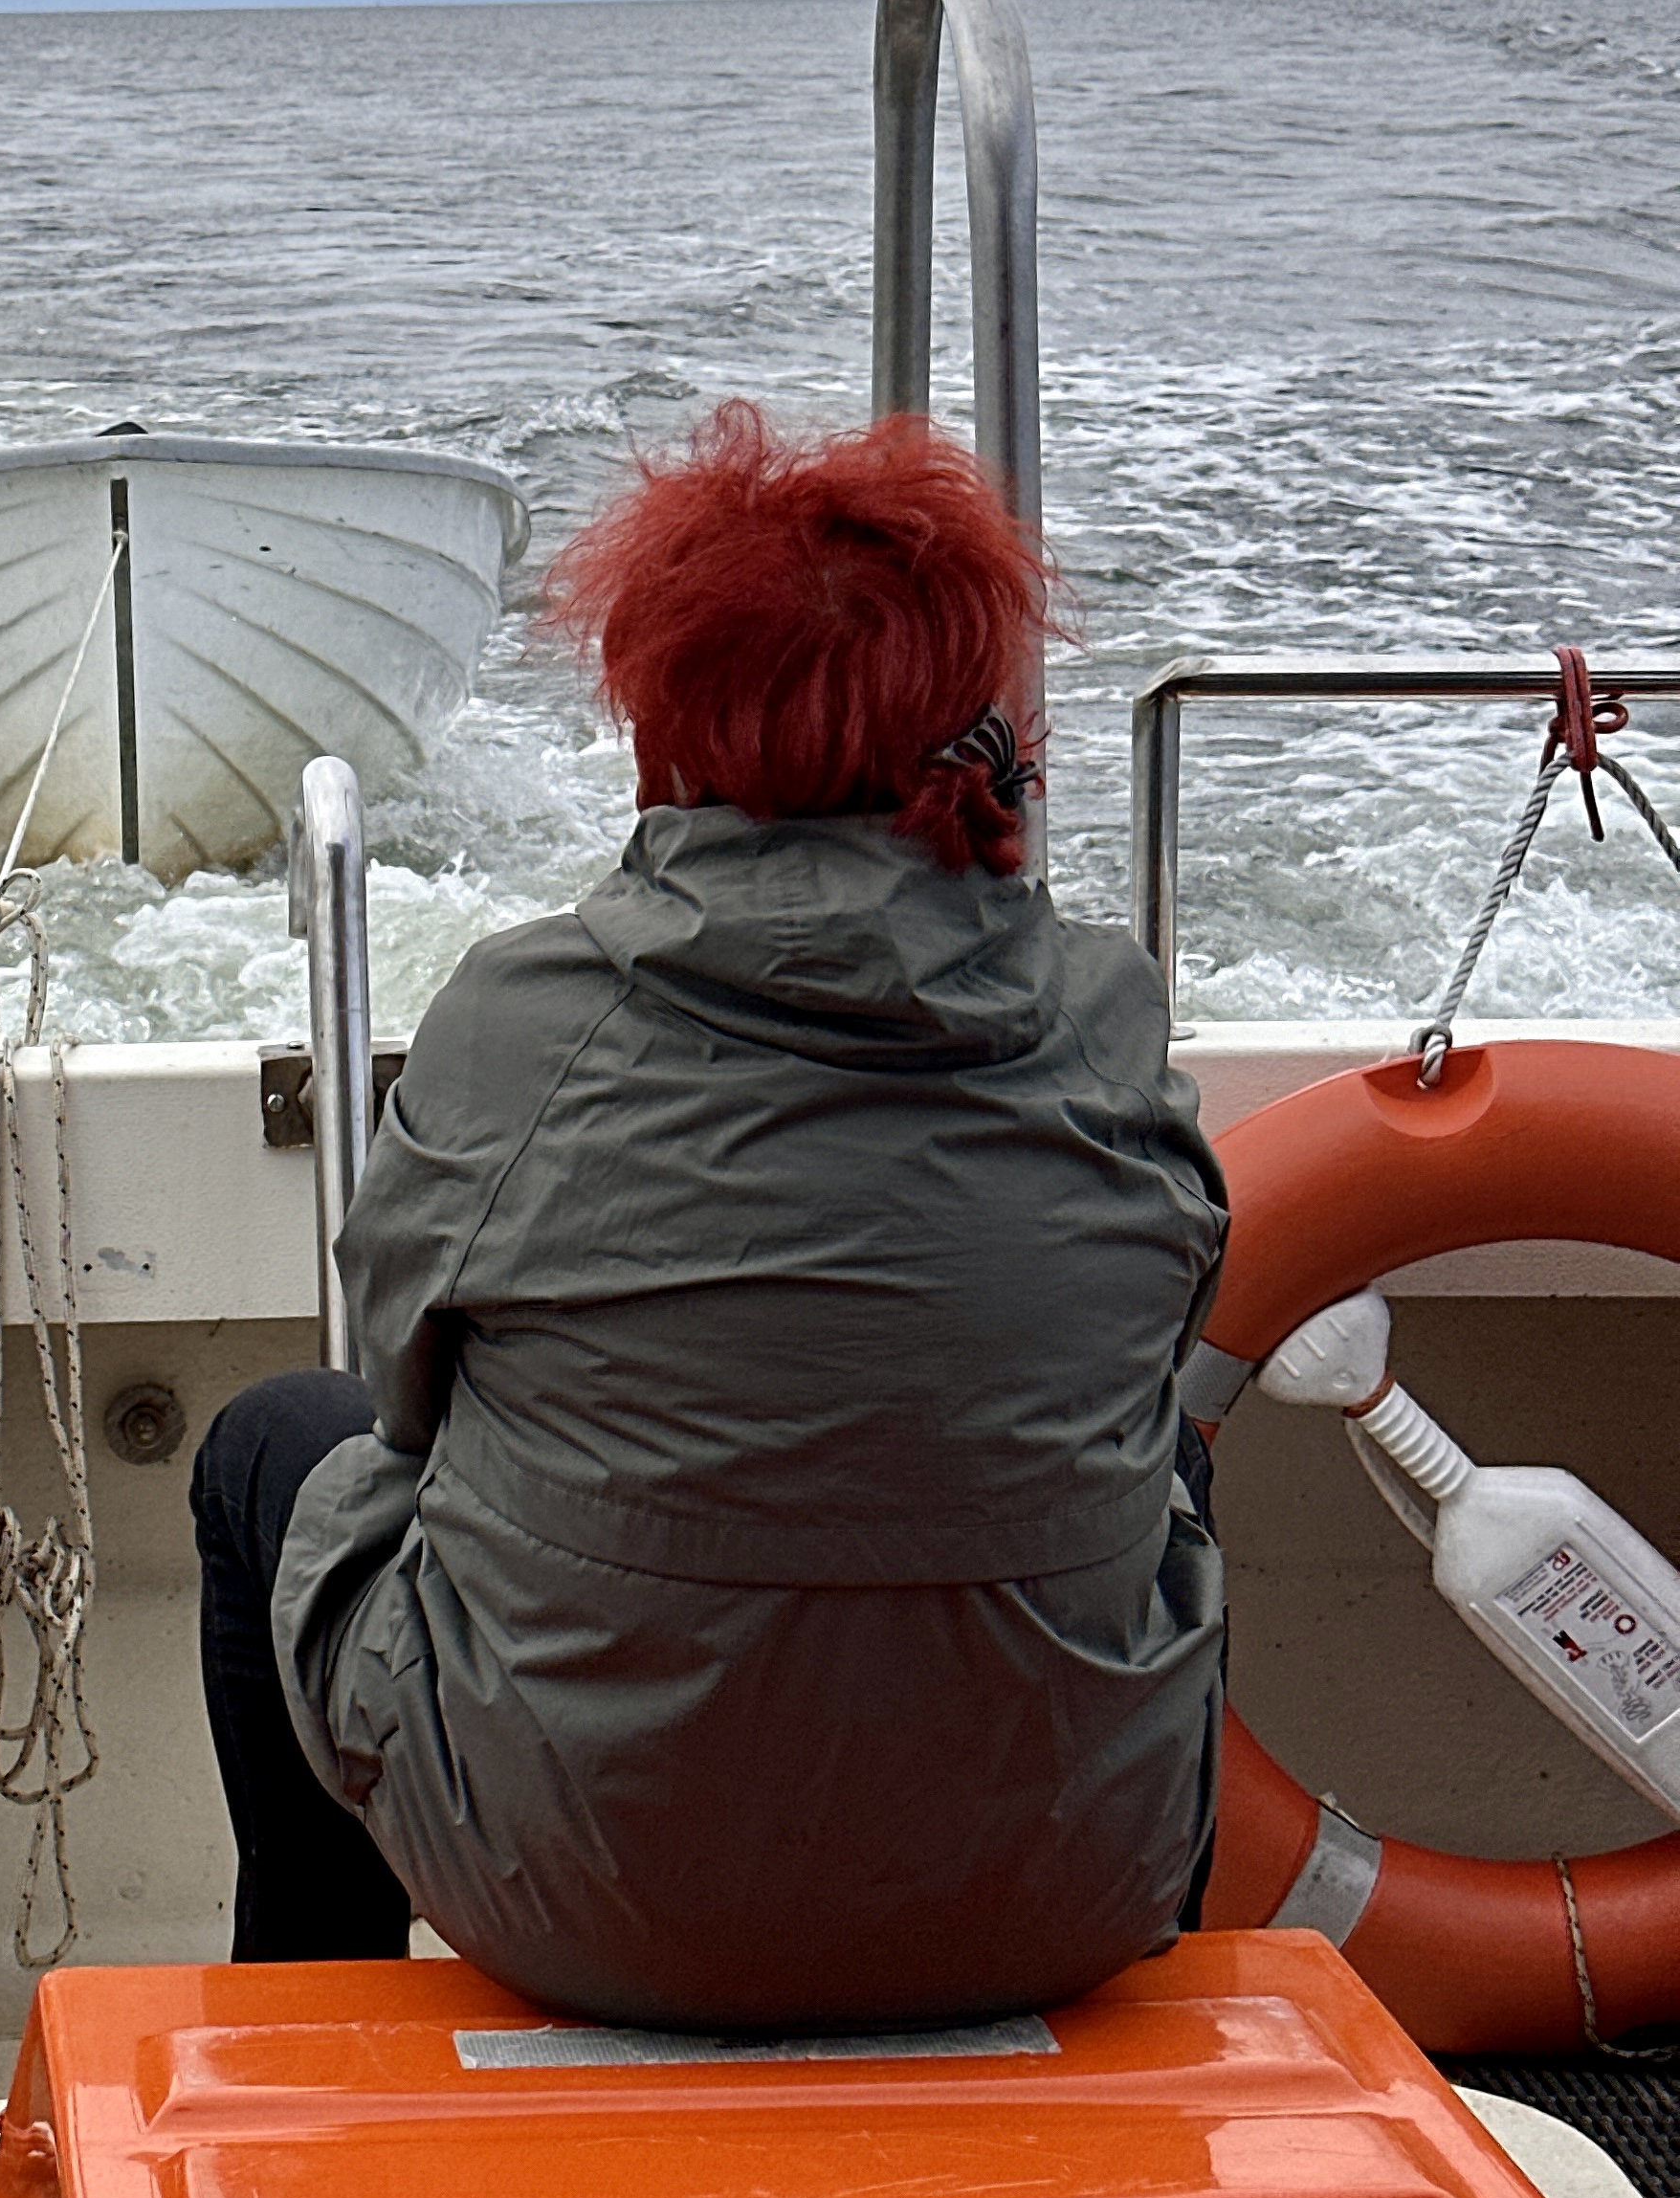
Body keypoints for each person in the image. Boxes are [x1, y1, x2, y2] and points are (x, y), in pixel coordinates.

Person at [189, 404, 1228, 2030]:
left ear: (666, 713)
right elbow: (1163, 1316)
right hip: (1065, 1897)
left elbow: (406, 1390)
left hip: (596, 1906)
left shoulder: (523, 1019)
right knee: (1158, 1456)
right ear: (973, 723)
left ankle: (305, 2033)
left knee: (278, 1446)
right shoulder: (1105, 1012)